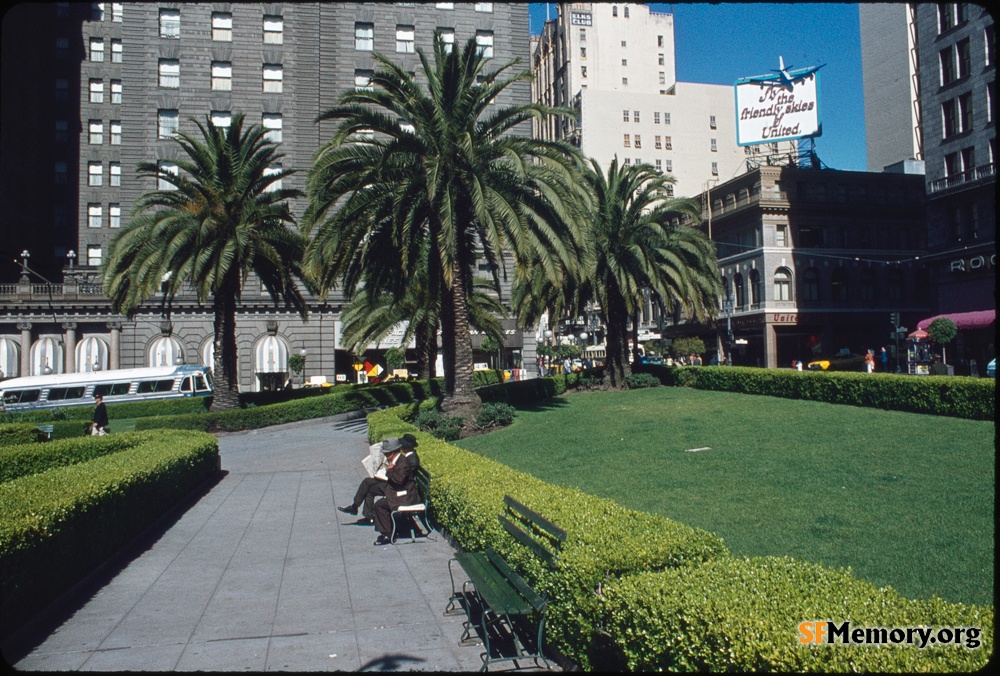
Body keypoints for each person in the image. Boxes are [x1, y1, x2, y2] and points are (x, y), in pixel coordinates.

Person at [373, 435, 421, 545]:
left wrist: (389, 471)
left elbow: (399, 480)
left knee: (379, 505)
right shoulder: (398, 460)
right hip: (401, 492)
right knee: (377, 496)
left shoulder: (402, 462)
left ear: (393, 453)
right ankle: (386, 531)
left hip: (406, 497)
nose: (385, 456)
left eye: (386, 454)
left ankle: (387, 534)